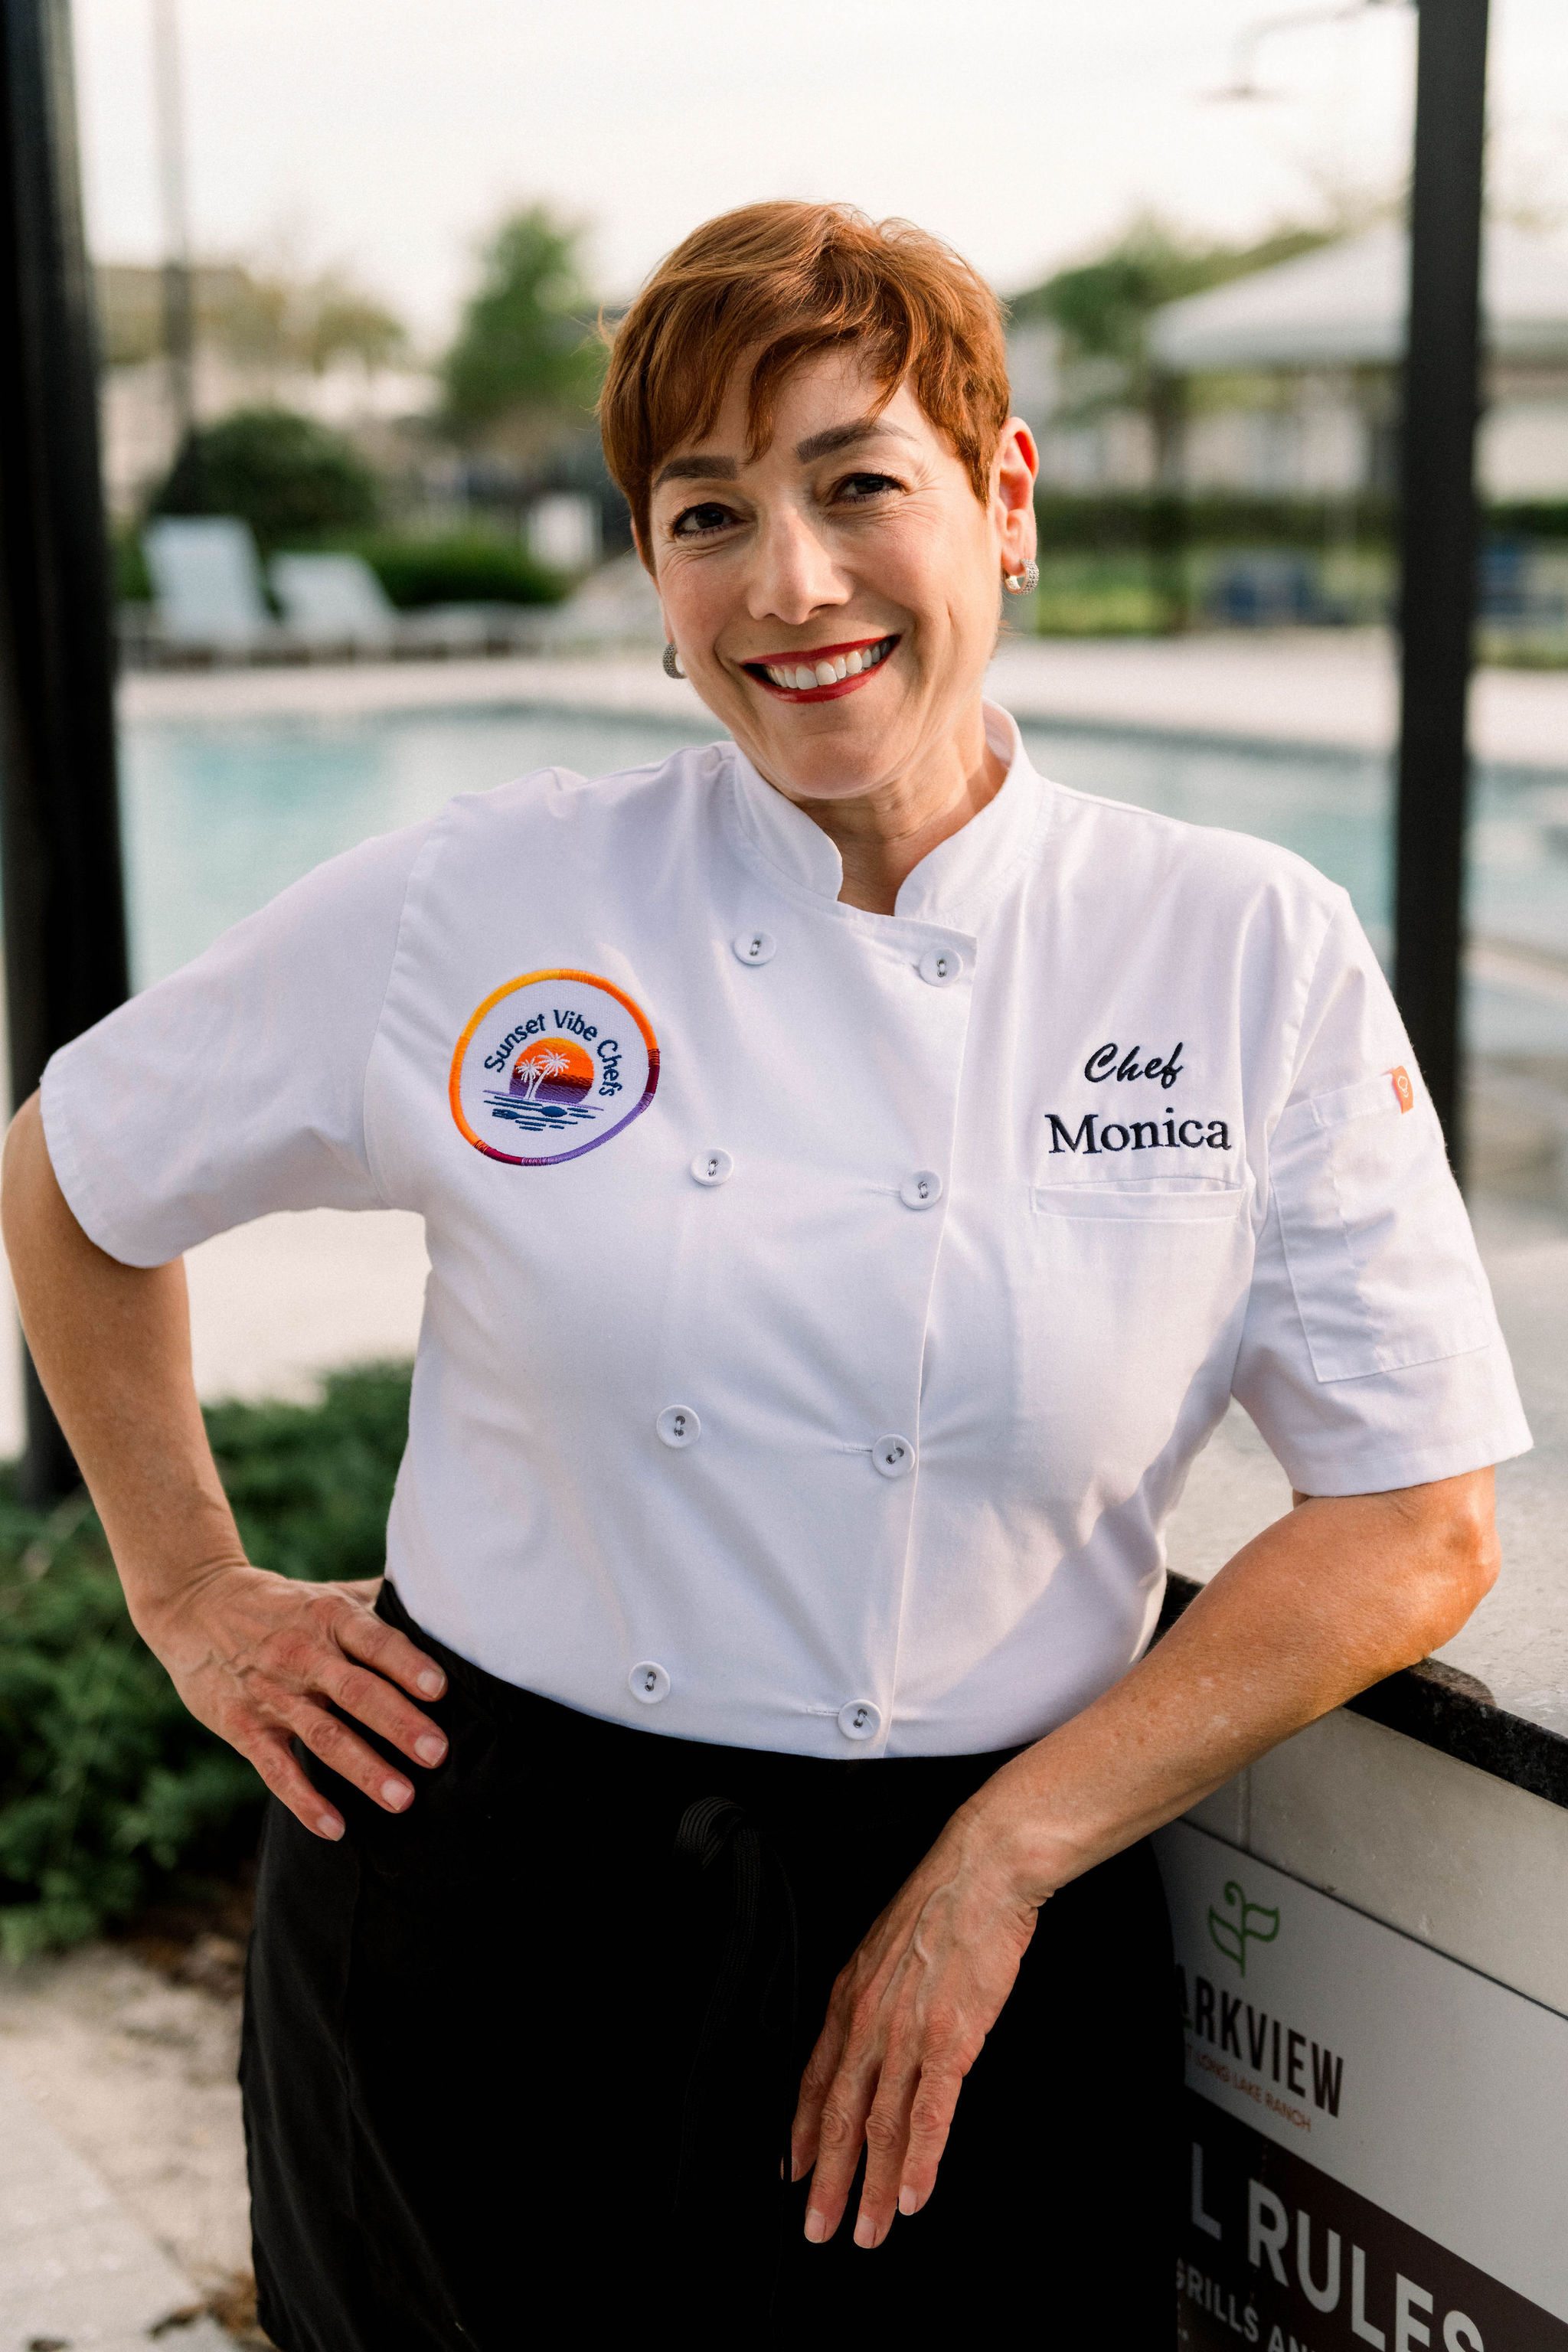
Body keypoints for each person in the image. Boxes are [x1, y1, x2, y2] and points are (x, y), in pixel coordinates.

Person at [2, 202, 1527, 2347]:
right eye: (708, 512)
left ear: (1002, 503)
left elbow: (1417, 1514)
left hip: (978, 1935)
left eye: (857, 482)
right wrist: (190, 1593)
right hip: (486, 1902)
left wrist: (1006, 1859)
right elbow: (71, 1174)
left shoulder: (1236, 945)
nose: (789, 583)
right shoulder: (495, 897)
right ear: (653, 579)